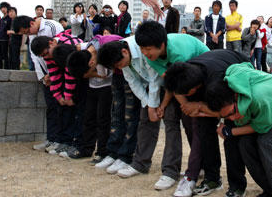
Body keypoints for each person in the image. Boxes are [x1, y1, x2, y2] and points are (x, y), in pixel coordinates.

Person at [115, 21, 209, 192]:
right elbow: (170, 82)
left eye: (148, 49)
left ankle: (199, 168)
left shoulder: (180, 52)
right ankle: (163, 169)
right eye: (142, 49)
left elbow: (180, 82)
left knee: (191, 124)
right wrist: (161, 106)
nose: (145, 53)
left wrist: (185, 105)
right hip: (179, 84)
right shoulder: (151, 57)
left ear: (162, 44)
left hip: (201, 78)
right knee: (171, 118)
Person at [205, 62, 272, 197]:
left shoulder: (260, 99)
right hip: (265, 110)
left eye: (233, 112)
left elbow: (261, 126)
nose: (233, 118)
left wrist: (230, 132)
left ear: (235, 96)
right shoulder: (229, 83)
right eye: (227, 116)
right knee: (245, 144)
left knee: (268, 144)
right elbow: (244, 66)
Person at [164, 50, 249, 197]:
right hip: (212, 71)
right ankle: (212, 179)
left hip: (237, 67)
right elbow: (178, 92)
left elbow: (232, 111)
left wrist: (201, 107)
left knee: (230, 133)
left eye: (184, 94)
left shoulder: (218, 81)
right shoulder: (183, 72)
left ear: (192, 90)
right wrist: (190, 106)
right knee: (204, 129)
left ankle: (237, 186)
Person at [96, 37, 162, 175]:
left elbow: (155, 78)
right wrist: (148, 104)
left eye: (119, 64)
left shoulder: (143, 48)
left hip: (165, 80)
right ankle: (138, 162)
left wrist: (152, 105)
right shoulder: (122, 58)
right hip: (147, 87)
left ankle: (169, 170)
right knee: (145, 121)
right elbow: (133, 83)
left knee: (169, 123)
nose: (119, 68)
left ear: (125, 52)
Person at [13, 15, 64, 152]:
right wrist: (43, 78)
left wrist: (53, 74)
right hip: (47, 78)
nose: (27, 34)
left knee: (62, 109)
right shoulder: (31, 35)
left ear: (31, 23)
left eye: (27, 31)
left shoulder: (51, 26)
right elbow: (35, 58)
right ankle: (51, 139)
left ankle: (61, 141)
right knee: (51, 108)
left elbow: (61, 49)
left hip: (59, 75)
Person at [0, 2, 12, 70]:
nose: (3, 9)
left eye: (4, 8)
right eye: (1, 8)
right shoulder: (1, 19)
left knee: (5, 55)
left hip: (5, 39)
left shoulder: (9, 18)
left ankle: (6, 69)